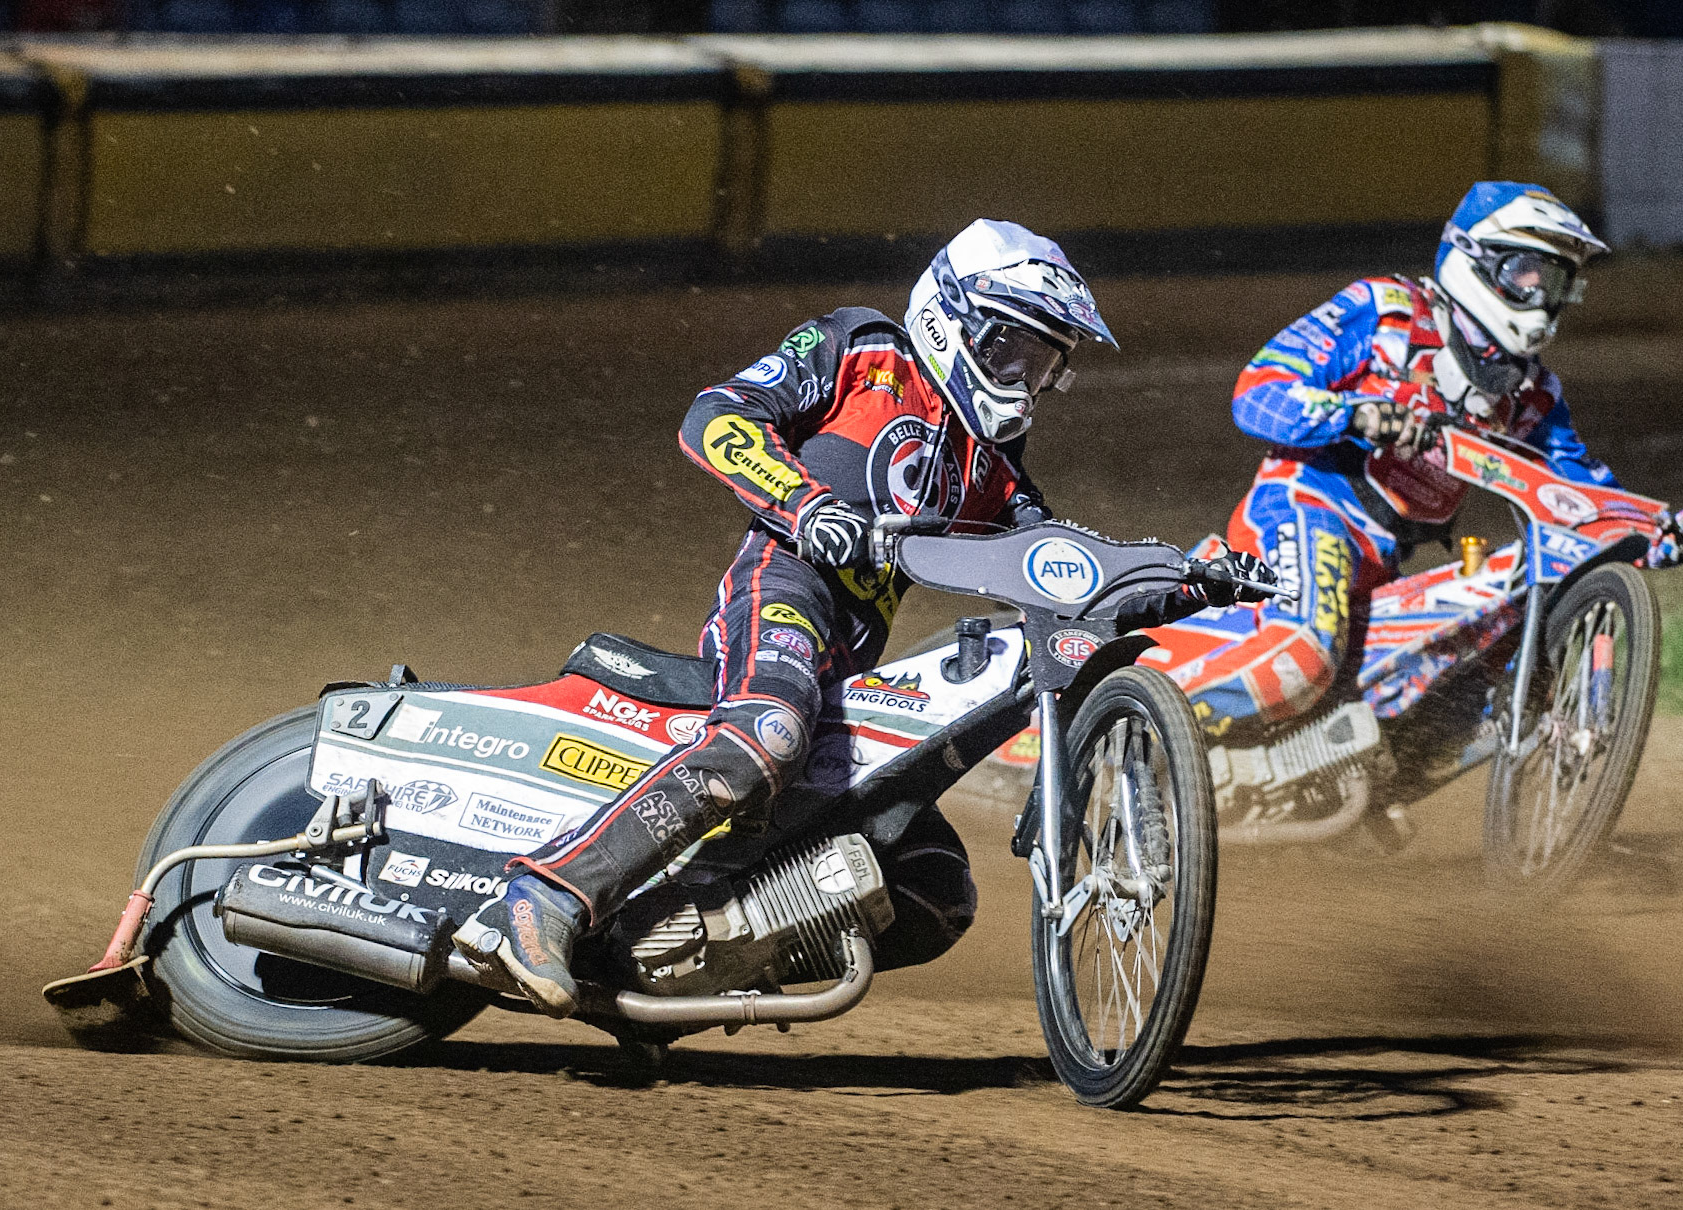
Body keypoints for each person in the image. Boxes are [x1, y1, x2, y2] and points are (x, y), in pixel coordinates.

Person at [459, 218, 1264, 1017]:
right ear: (954, 319)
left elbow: (1056, 568)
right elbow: (717, 416)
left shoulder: (990, 465)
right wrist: (807, 507)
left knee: (934, 889)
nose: (1025, 380)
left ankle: (672, 954)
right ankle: (545, 897)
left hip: (850, 670)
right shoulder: (865, 349)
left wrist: (1189, 583)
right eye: (1013, 351)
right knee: (769, 732)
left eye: (1044, 364)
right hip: (783, 584)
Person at [1181, 181, 1683, 732]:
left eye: (1556, 281)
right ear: (1476, 259)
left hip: (1383, 564)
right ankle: (1162, 724)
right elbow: (1258, 391)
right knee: (1303, 658)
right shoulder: (1388, 313)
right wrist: (1356, 414)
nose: (1540, 296)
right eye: (1526, 273)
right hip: (1305, 510)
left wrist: (1666, 529)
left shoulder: (1532, 395)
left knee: (1436, 696)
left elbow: (1584, 499)